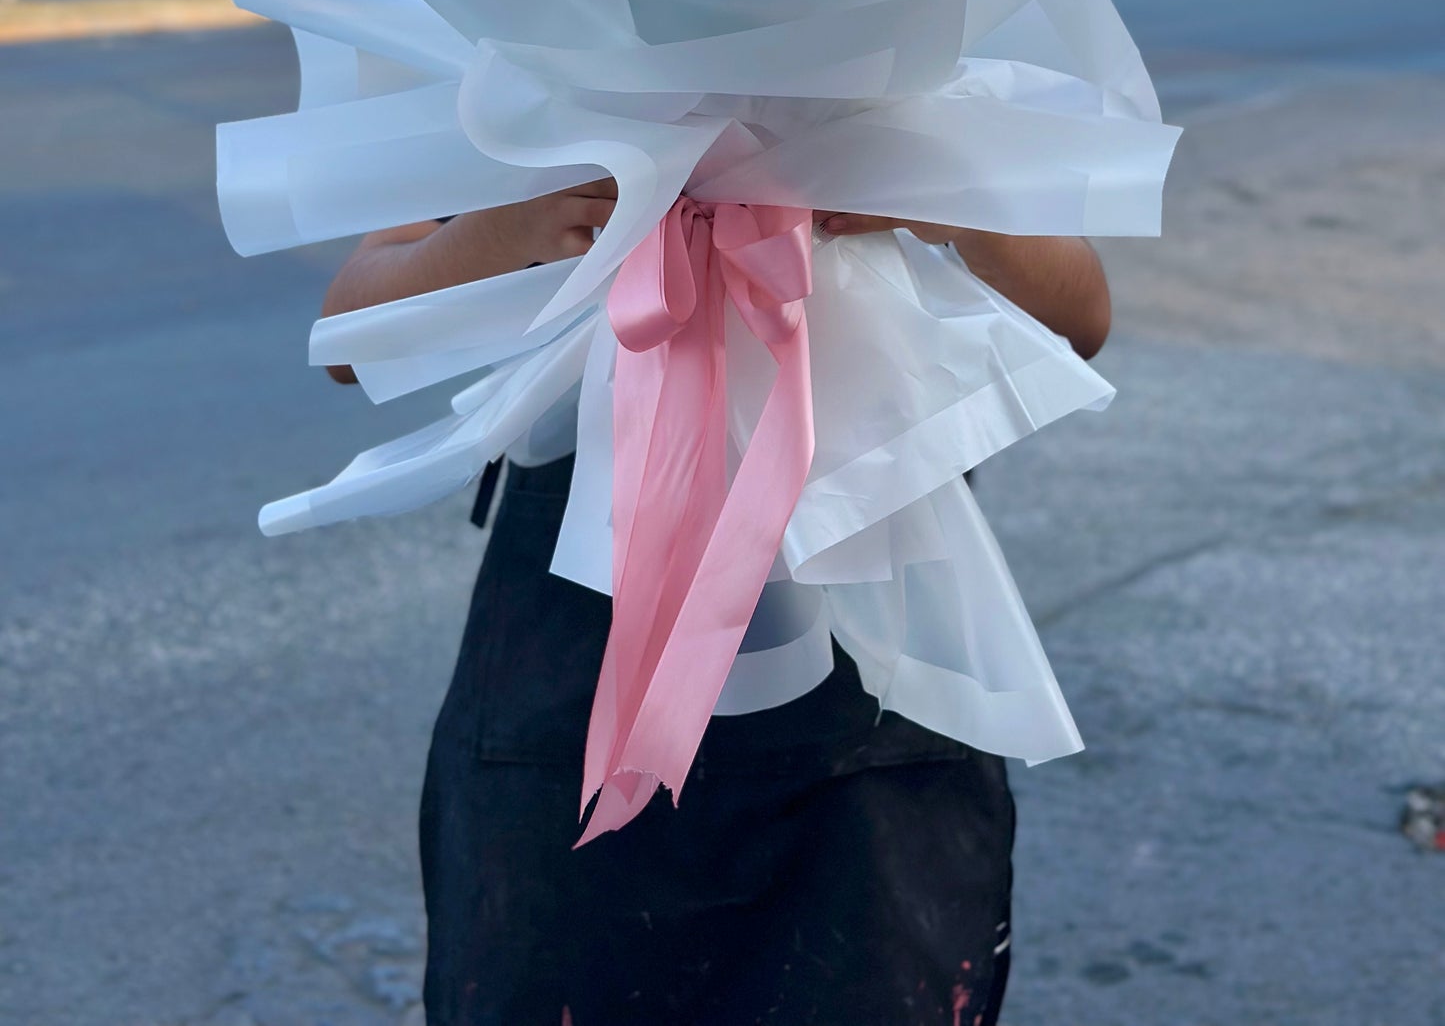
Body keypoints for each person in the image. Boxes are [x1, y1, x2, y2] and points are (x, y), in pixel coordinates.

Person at [322, 185, 1110, 1026]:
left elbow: (1077, 319)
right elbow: (347, 335)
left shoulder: (931, 78)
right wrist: (509, 226)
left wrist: (954, 201)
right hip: (569, 701)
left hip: (873, 705)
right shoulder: (530, 80)